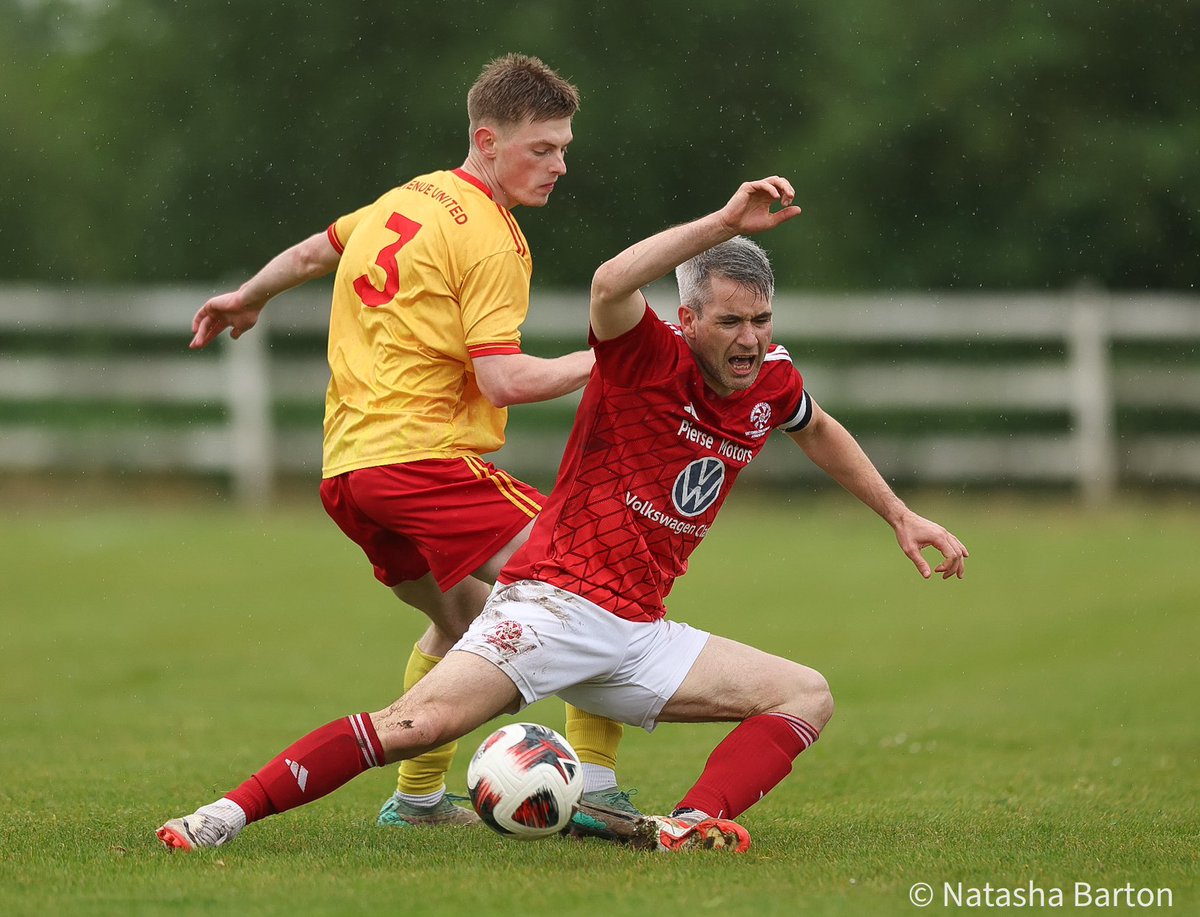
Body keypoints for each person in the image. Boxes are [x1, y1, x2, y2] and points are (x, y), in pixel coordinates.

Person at [158, 175, 968, 854]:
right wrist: (721, 222)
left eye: (761, 321)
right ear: (687, 321)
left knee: (807, 694)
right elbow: (613, 280)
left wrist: (899, 513)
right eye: (729, 321)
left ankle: (686, 825)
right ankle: (219, 817)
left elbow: (817, 427)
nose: (749, 339)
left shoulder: (772, 379)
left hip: (639, 633)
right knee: (407, 726)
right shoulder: (643, 351)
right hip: (549, 606)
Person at [183, 53, 631, 832]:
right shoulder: (494, 238)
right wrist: (615, 359)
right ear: (487, 141)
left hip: (348, 474)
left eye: (563, 147)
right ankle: (596, 789)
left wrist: (247, 297)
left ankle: (418, 802)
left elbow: (315, 252)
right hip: (422, 462)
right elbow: (504, 380)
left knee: (464, 623)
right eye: (542, 148)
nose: (561, 164)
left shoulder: (409, 197)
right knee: (594, 585)